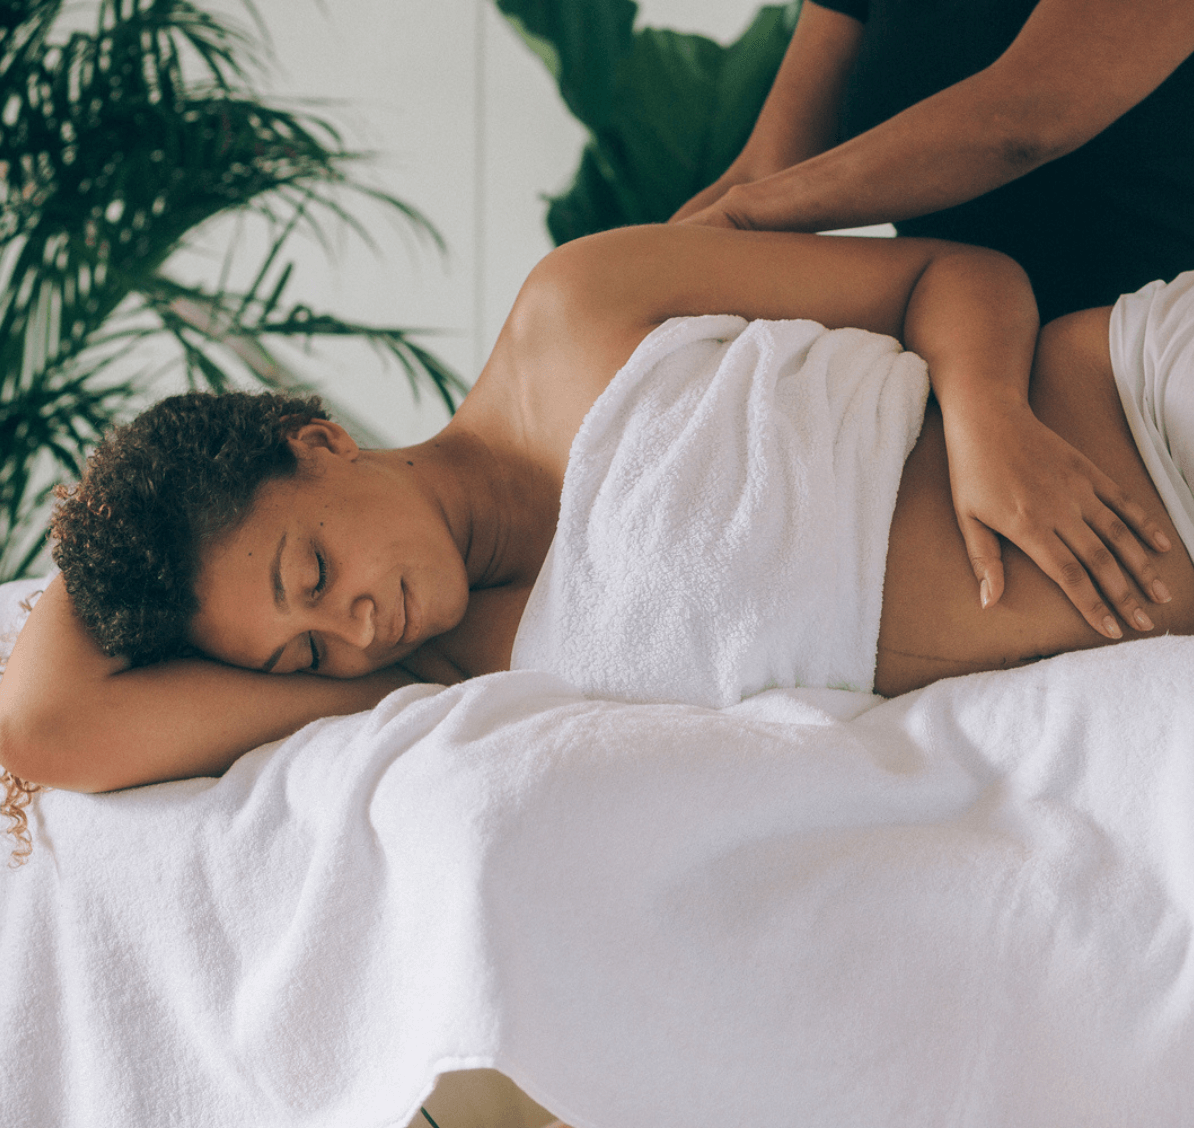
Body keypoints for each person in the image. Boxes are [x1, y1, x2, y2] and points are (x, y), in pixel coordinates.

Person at [1, 226, 1192, 811]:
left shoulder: (574, 316)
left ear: (318, 441)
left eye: (312, 568)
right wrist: (123, 541)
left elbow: (952, 274)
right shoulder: (449, 668)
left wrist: (985, 421)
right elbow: (47, 730)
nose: (352, 627)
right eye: (305, 650)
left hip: (1148, 398)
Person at [672, 0, 1194, 322]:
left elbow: (1024, 120)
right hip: (954, 330)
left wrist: (740, 214)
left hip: (1141, 347)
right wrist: (627, 268)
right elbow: (765, 168)